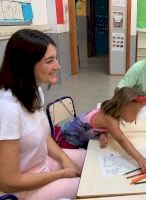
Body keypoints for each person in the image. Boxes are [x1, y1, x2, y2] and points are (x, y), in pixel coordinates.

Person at [0, 29, 86, 200]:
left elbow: (44, 137)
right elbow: (8, 182)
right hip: (23, 190)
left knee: (92, 157)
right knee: (85, 187)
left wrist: (64, 158)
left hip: (43, 165)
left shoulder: (35, 91)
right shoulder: (7, 110)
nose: (58, 66)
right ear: (26, 66)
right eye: (49, 61)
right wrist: (62, 174)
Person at [61, 87, 146, 173]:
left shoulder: (112, 110)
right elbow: (121, 140)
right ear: (122, 106)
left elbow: (101, 125)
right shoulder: (110, 119)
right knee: (88, 166)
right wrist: (140, 159)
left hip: (77, 134)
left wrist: (102, 133)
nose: (136, 116)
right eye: (134, 112)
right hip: (68, 140)